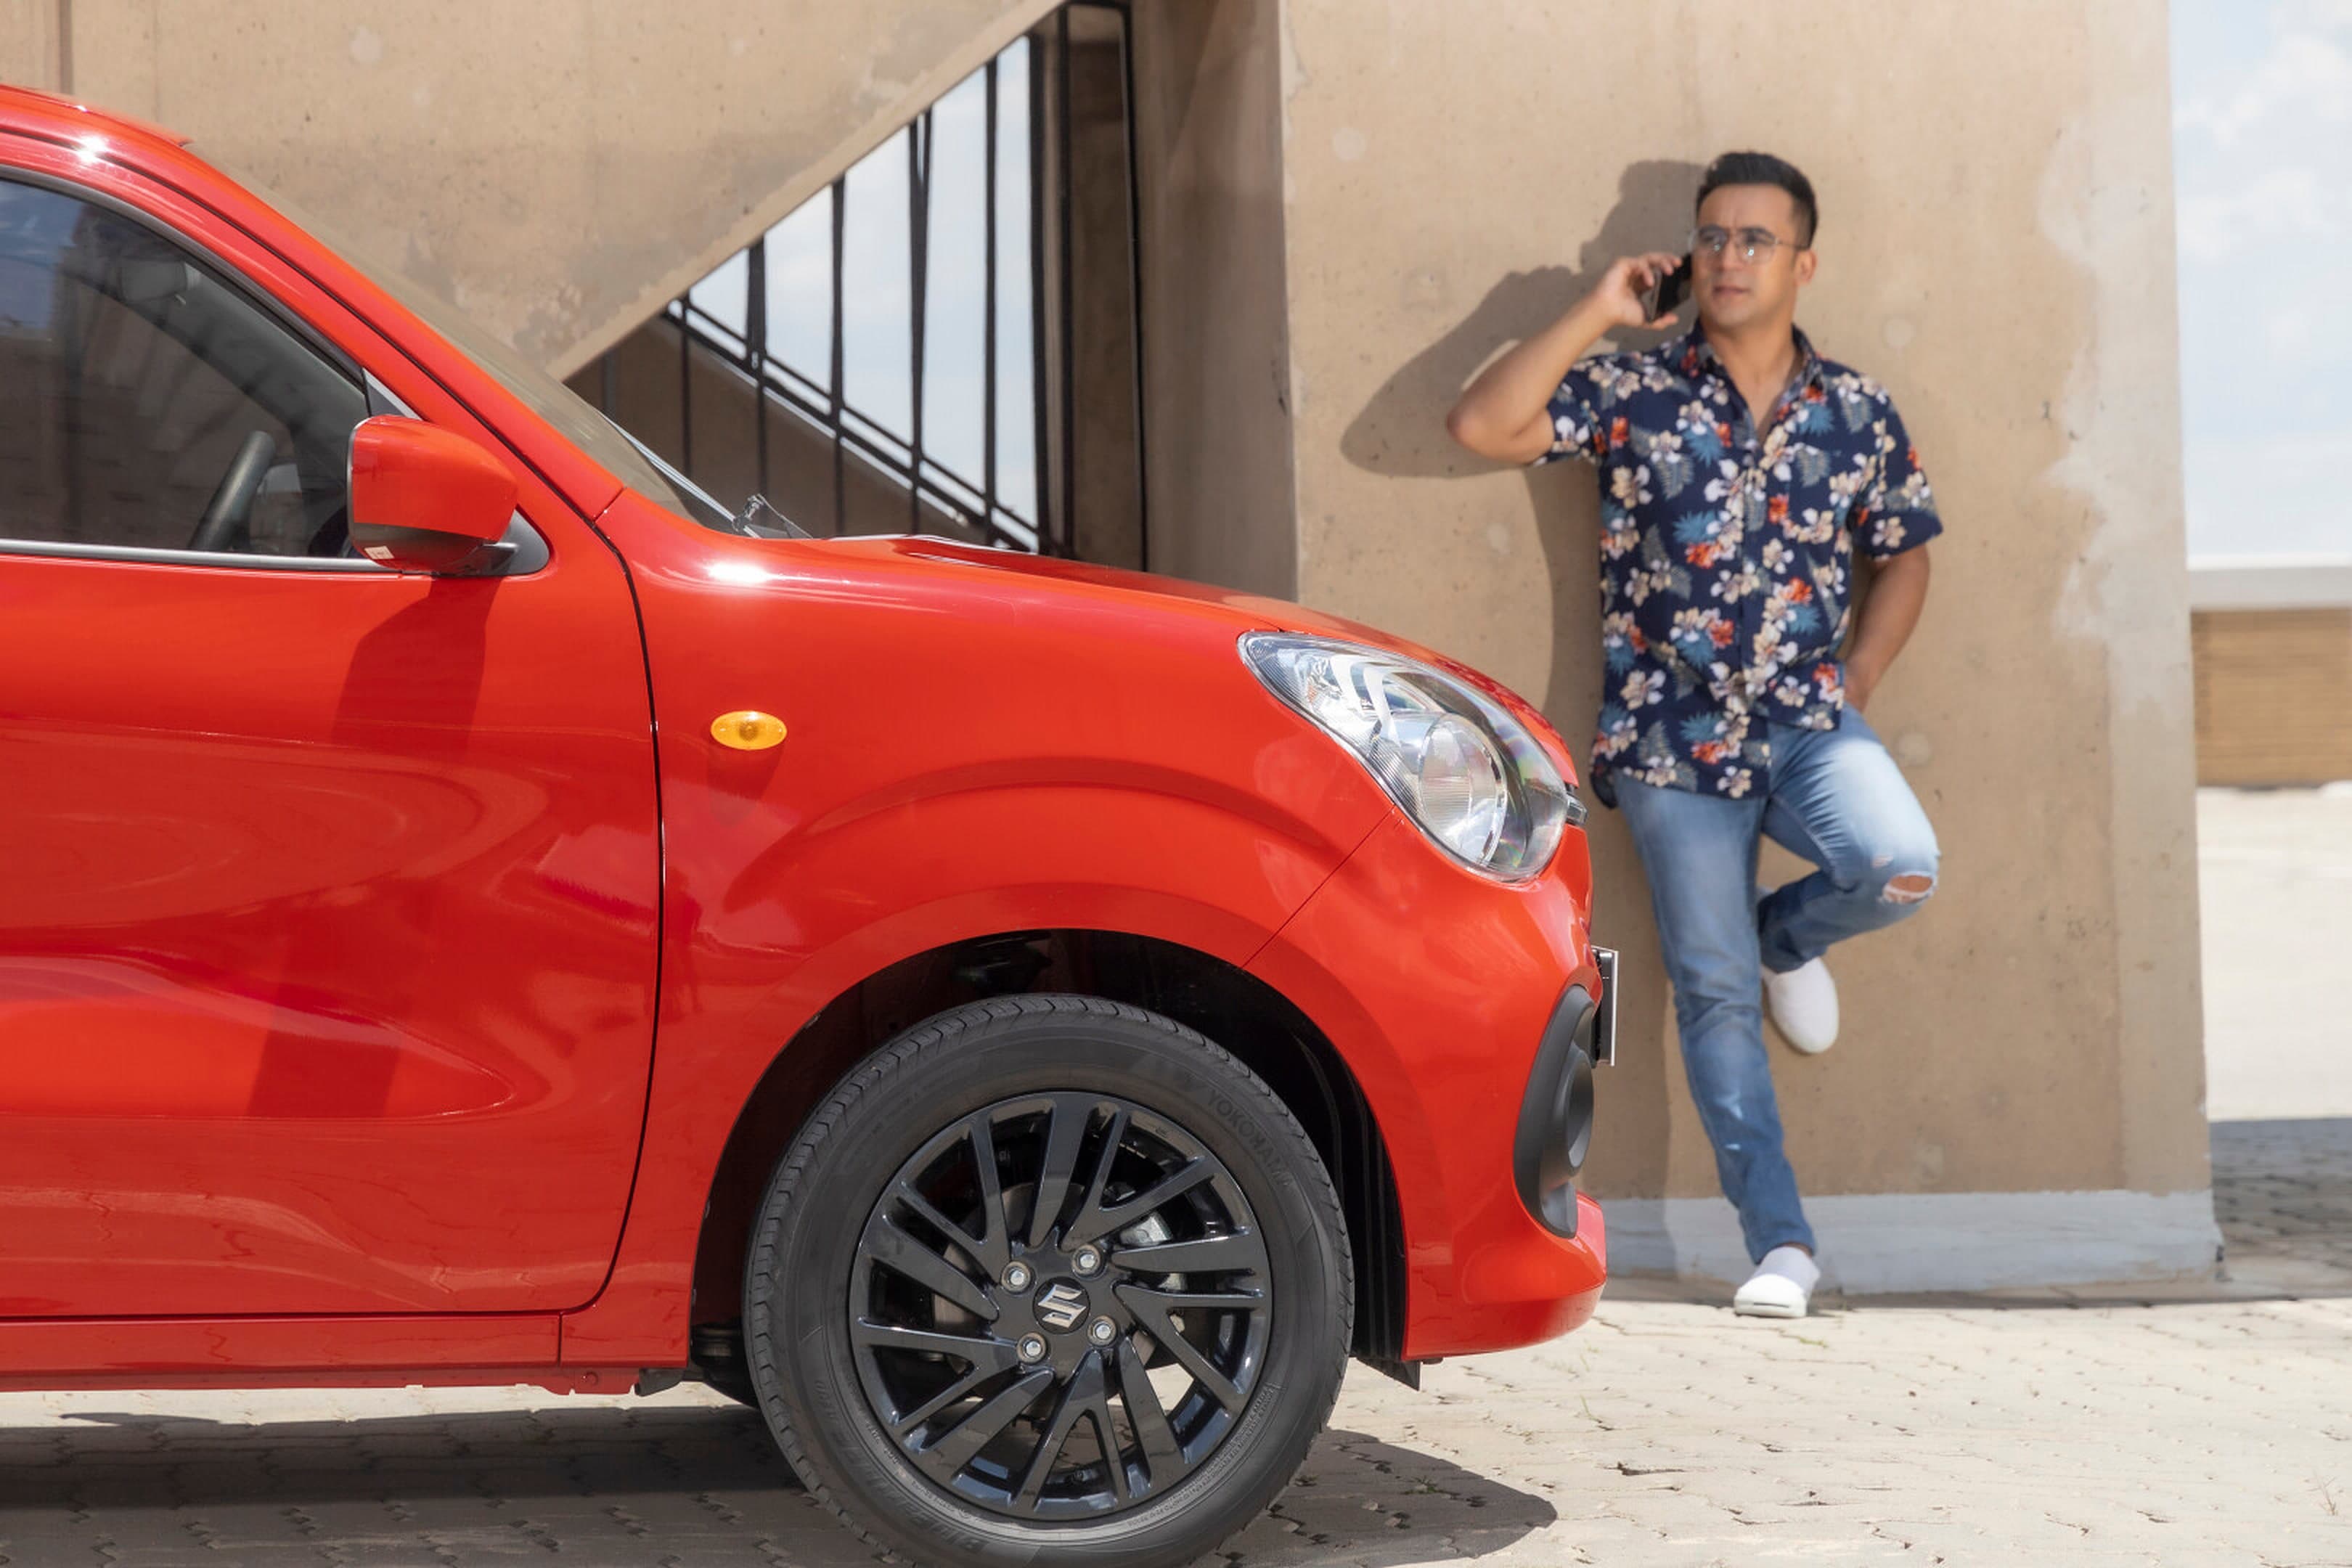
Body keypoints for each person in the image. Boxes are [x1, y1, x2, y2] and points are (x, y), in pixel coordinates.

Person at [1445, 151, 1941, 1318]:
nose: (1728, 256)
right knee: (1710, 994)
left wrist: (1858, 673)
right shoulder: (1632, 391)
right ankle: (1783, 1247)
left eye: (1755, 239)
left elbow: (1906, 550)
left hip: (1811, 725)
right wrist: (1598, 309)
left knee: (1900, 864)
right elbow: (1483, 424)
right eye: (1713, 236)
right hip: (1670, 742)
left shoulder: (1857, 409)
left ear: (1803, 264)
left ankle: (1788, 937)